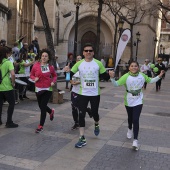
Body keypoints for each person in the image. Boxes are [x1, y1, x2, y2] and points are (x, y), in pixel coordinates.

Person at [109, 61, 165, 150]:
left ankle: (135, 140)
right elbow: (116, 84)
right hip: (128, 101)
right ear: (129, 68)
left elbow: (151, 80)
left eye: (136, 66)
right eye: (132, 66)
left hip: (138, 101)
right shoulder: (126, 76)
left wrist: (159, 76)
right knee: (130, 118)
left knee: (135, 119)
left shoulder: (142, 76)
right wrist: (112, 78)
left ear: (138, 67)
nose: (134, 67)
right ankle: (129, 128)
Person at [65, 43, 110, 148]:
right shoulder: (79, 63)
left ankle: (96, 123)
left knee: (95, 113)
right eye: (86, 51)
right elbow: (69, 76)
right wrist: (67, 72)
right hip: (83, 93)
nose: (88, 52)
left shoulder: (98, 63)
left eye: (90, 50)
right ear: (83, 53)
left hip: (95, 94)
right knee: (81, 114)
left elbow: (105, 77)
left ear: (93, 52)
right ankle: (82, 137)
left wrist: (110, 75)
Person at [30, 48, 57, 133]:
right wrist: (35, 78)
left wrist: (53, 82)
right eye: (43, 56)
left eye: (46, 56)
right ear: (40, 57)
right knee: (41, 106)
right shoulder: (36, 66)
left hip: (47, 89)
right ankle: (50, 111)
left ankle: (41, 125)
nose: (44, 57)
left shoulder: (50, 67)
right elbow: (31, 75)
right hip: (38, 88)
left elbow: (55, 76)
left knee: (42, 107)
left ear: (48, 58)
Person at [69, 55, 92, 130]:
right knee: (74, 107)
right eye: (77, 59)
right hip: (74, 91)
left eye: (80, 59)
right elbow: (71, 80)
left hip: (82, 92)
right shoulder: (73, 70)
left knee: (80, 107)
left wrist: (77, 82)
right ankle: (76, 122)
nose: (79, 61)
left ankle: (86, 110)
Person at [0, 46, 18, 128]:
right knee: (12, 103)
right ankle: (9, 121)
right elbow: (13, 74)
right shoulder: (8, 62)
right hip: (7, 86)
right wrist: (13, 83)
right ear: (6, 54)